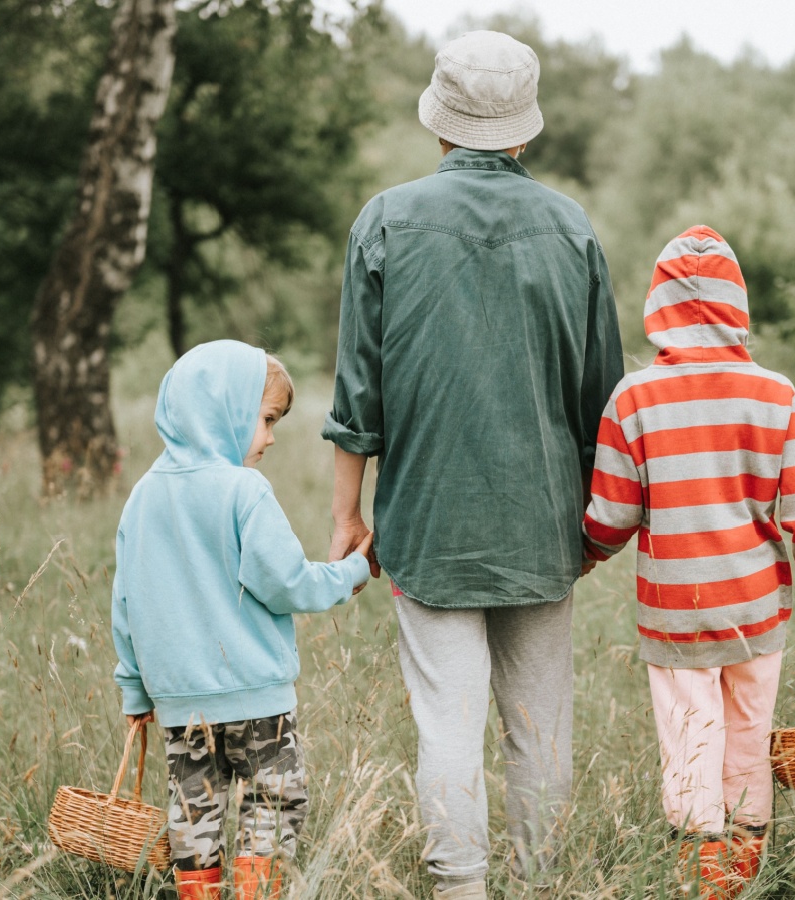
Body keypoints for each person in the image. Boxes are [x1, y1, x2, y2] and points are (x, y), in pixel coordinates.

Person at [321, 30, 625, 899]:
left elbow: (357, 397)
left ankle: (461, 889)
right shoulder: (571, 227)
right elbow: (604, 399)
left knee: (446, 724)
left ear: (440, 124)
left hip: (427, 523)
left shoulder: (384, 219)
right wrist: (600, 526)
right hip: (546, 524)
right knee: (540, 727)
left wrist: (349, 518)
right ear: (522, 131)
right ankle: (539, 883)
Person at [581, 226, 795, 897]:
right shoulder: (774, 394)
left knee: (690, 746)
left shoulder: (632, 399)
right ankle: (743, 875)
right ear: (738, 303)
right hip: (758, 610)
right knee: (748, 740)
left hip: (674, 616)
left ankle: (705, 884)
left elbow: (611, 519)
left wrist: (584, 555)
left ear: (659, 303)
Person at [110, 340, 373, 900]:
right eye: (266, 419)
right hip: (259, 705)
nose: (271, 437)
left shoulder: (142, 498)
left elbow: (126, 604)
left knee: (193, 820)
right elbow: (286, 583)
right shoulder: (243, 491)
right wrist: (350, 572)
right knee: (274, 808)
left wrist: (135, 690)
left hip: (182, 709)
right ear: (224, 408)